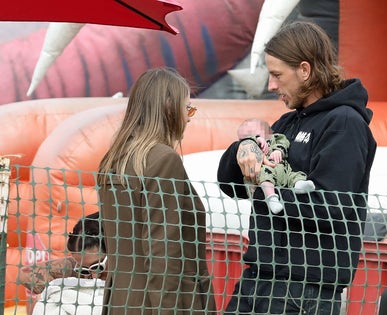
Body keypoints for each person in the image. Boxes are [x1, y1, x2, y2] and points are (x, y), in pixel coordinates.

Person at [217, 21, 377, 315]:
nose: (271, 86)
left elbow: (332, 205)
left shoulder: (344, 123)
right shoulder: (287, 123)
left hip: (304, 290)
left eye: (277, 75)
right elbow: (229, 185)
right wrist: (243, 148)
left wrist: (271, 192)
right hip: (259, 278)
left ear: (305, 70)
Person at [97, 67, 216, 315]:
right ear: (170, 107)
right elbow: (164, 252)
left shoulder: (113, 160)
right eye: (188, 109)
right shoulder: (163, 159)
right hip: (163, 304)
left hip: (121, 301)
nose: (189, 117)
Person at [19, 211, 107, 314]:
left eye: (98, 267)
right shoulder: (79, 266)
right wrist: (57, 293)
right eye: (84, 270)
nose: (95, 276)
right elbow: (27, 273)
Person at [237, 119, 315, 213]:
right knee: (265, 179)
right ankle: (272, 199)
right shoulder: (250, 146)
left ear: (267, 132)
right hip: (266, 170)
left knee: (294, 175)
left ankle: (299, 185)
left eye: (251, 133)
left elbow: (284, 143)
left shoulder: (277, 137)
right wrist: (252, 140)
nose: (249, 137)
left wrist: (279, 151)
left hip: (283, 167)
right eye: (243, 138)